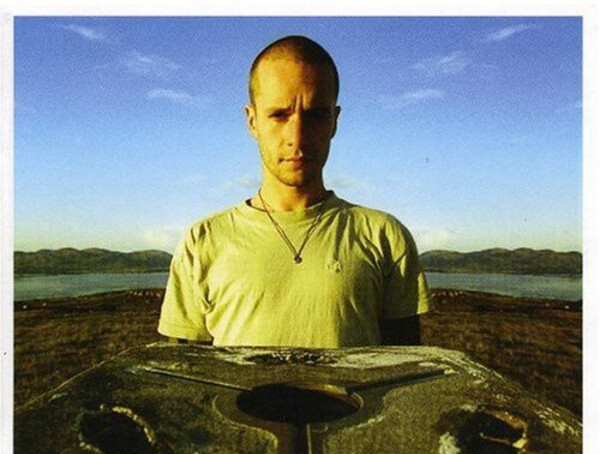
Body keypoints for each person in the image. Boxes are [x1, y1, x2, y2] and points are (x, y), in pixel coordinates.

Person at [158, 35, 433, 347]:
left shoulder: (385, 236)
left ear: (334, 122)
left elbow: (406, 365)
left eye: (315, 115)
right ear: (252, 121)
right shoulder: (202, 242)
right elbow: (183, 369)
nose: (297, 136)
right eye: (279, 115)